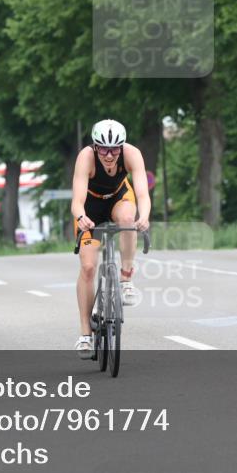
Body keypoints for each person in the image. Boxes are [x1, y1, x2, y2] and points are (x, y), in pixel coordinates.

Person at [71, 119, 151, 359]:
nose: (108, 155)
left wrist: (144, 217)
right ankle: (85, 334)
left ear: (121, 146)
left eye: (114, 149)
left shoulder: (132, 154)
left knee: (128, 219)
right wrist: (82, 217)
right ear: (95, 147)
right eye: (103, 149)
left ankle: (126, 280)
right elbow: (76, 201)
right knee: (87, 267)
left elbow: (143, 195)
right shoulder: (86, 157)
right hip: (90, 207)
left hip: (118, 199)